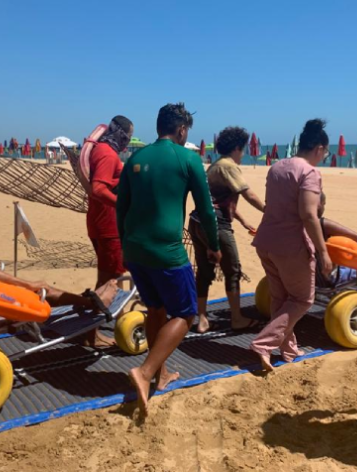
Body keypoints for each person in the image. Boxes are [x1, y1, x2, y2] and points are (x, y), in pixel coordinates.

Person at [117, 102, 221, 416]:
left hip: (135, 248)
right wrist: (214, 246)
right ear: (181, 130)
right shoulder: (188, 158)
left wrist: (127, 245)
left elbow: (121, 207)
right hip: (167, 251)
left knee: (157, 310)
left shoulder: (135, 157)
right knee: (186, 314)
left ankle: (161, 374)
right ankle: (145, 372)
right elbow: (206, 211)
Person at [0, 203, 119, 318]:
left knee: (35, 287)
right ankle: (92, 303)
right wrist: (29, 284)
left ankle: (84, 300)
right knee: (42, 289)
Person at [250, 119, 333, 372]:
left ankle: (288, 348)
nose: (325, 157)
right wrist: (323, 251)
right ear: (319, 148)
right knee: (303, 299)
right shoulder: (309, 172)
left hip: (266, 241)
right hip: (290, 245)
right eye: (326, 153)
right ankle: (264, 344)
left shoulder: (276, 167)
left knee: (281, 297)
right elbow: (309, 215)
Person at [189, 126, 264, 333]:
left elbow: (218, 199)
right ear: (237, 148)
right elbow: (248, 194)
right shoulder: (229, 166)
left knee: (204, 271)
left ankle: (202, 318)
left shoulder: (215, 165)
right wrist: (269, 210)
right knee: (233, 270)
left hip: (197, 221)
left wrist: (242, 220)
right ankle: (237, 318)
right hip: (216, 225)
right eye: (244, 149)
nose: (244, 153)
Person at [85, 116, 134, 347]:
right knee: (109, 281)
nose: (128, 141)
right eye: (128, 136)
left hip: (101, 222)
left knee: (107, 277)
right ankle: (92, 333)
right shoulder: (107, 153)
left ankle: (96, 328)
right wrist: (121, 204)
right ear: (120, 134)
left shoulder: (102, 149)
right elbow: (98, 188)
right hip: (108, 225)